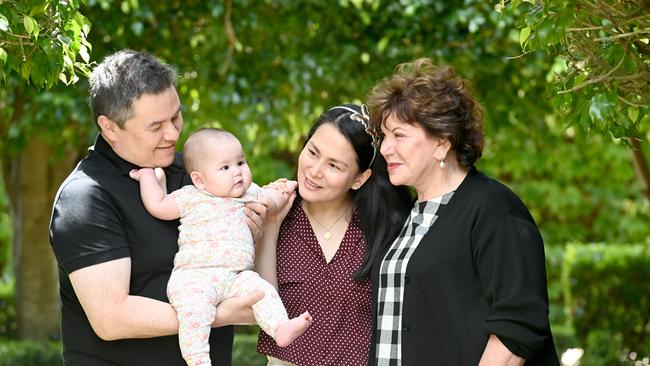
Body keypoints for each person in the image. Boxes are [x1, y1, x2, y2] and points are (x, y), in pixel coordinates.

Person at [49, 50, 266, 366]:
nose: (173, 133)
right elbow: (112, 317)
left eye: (176, 116)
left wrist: (251, 234)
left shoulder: (199, 174)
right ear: (109, 127)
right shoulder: (85, 197)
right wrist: (216, 314)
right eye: (156, 126)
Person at [365, 58, 560, 365]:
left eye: (399, 135)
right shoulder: (409, 214)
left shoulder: (494, 208)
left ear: (442, 142)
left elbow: (518, 326)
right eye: (384, 136)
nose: (386, 148)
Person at [129, 128, 312, 365]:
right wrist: (147, 178)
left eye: (240, 162)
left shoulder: (249, 193)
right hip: (195, 276)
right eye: (225, 167)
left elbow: (270, 202)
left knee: (262, 290)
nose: (237, 172)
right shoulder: (190, 197)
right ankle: (198, 360)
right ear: (199, 179)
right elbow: (158, 204)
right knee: (194, 311)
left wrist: (282, 191)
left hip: (236, 277)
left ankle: (280, 327)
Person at [255, 104, 413, 366]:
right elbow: (261, 306)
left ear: (359, 178)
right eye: (313, 152)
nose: (315, 170)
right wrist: (270, 226)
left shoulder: (385, 228)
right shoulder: (274, 212)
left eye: (334, 166)